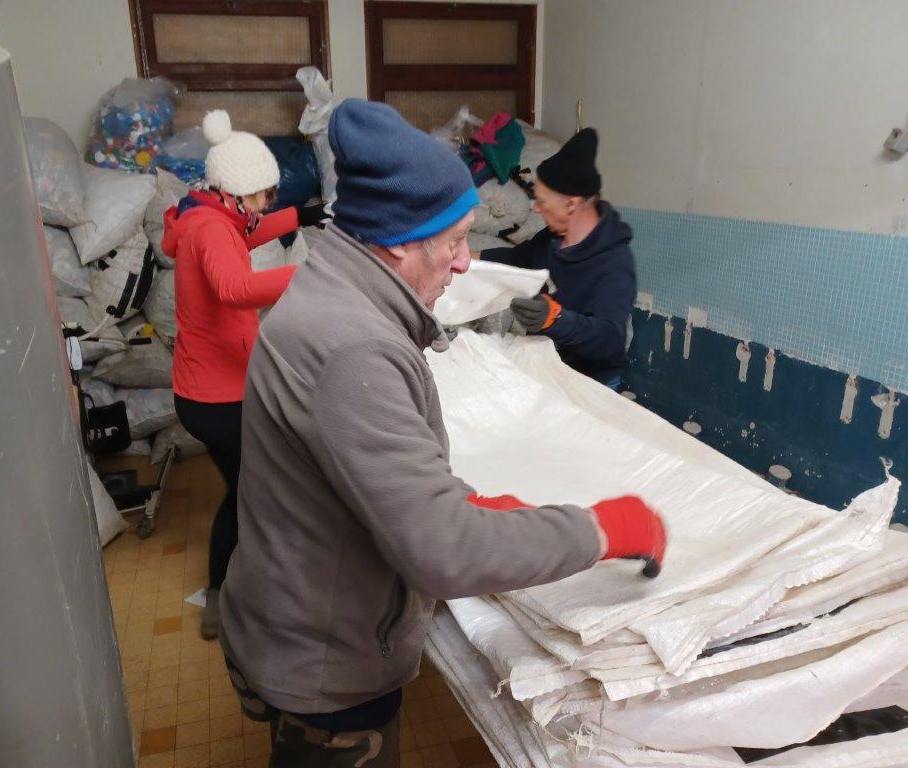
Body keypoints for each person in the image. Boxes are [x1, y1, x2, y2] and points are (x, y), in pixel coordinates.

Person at [217, 100, 666, 767]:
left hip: (287, 615)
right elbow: (444, 553)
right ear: (399, 239)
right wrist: (599, 529)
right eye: (453, 242)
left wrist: (459, 501)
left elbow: (344, 466)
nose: (463, 264)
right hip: (327, 666)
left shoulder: (324, 290)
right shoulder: (356, 350)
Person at [161, 109, 328, 639]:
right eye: (260, 197)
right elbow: (235, 289)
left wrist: (305, 215)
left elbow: (246, 235)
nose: (265, 205)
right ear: (231, 192)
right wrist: (311, 272)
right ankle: (224, 592)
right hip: (215, 398)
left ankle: (245, 583)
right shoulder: (210, 229)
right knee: (248, 493)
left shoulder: (210, 215)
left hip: (212, 386)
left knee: (249, 488)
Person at [474, 128, 636, 390]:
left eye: (541, 201)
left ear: (571, 204)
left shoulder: (614, 262)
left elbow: (610, 341)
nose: (536, 208)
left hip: (590, 382)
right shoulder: (551, 238)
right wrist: (467, 258)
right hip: (548, 366)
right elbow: (517, 258)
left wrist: (555, 319)